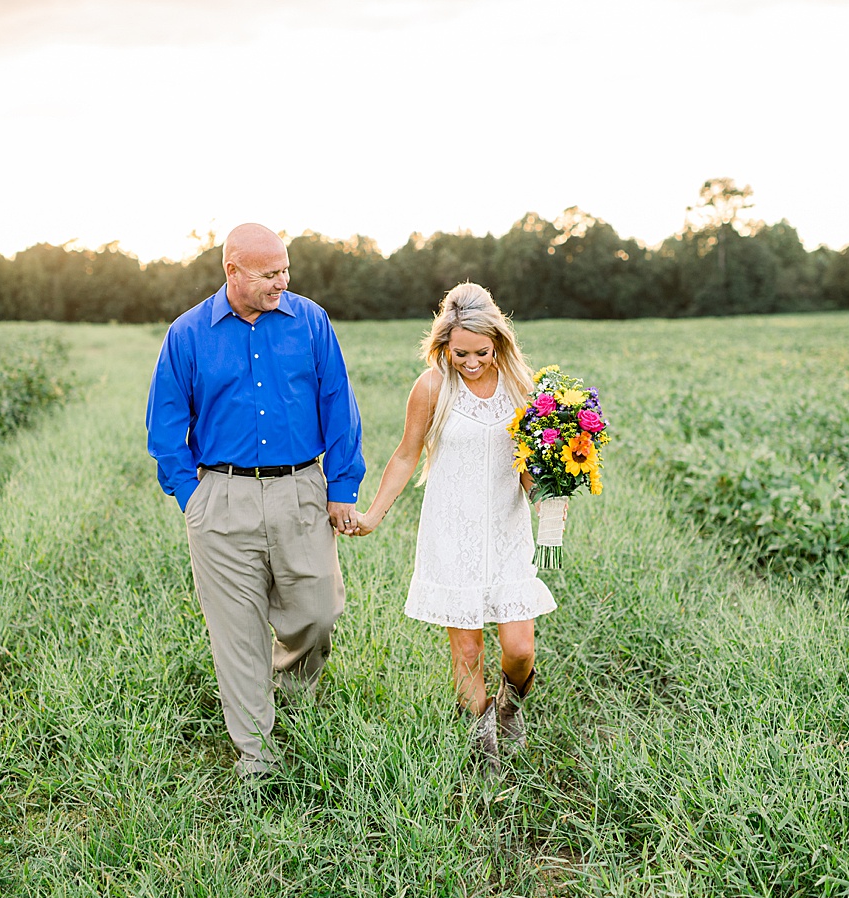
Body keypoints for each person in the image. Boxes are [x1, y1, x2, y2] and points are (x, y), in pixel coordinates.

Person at [146, 223, 365, 782]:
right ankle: (256, 756)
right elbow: (166, 425)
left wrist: (341, 488)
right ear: (232, 272)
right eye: (269, 274)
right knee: (236, 634)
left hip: (300, 489)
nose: (282, 282)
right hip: (221, 496)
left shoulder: (310, 321)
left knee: (318, 613)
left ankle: (292, 693)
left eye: (285, 270)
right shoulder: (188, 333)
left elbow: (338, 402)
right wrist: (193, 497)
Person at [350, 282, 555, 768]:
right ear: (443, 343)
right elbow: (406, 455)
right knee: (467, 651)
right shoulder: (432, 386)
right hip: (450, 529)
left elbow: (528, 466)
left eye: (481, 352)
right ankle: (485, 754)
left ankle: (510, 707)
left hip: (507, 531)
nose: (470, 362)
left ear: (498, 342)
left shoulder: (520, 387)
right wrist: (372, 516)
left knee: (520, 648)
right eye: (458, 352)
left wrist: (552, 492)